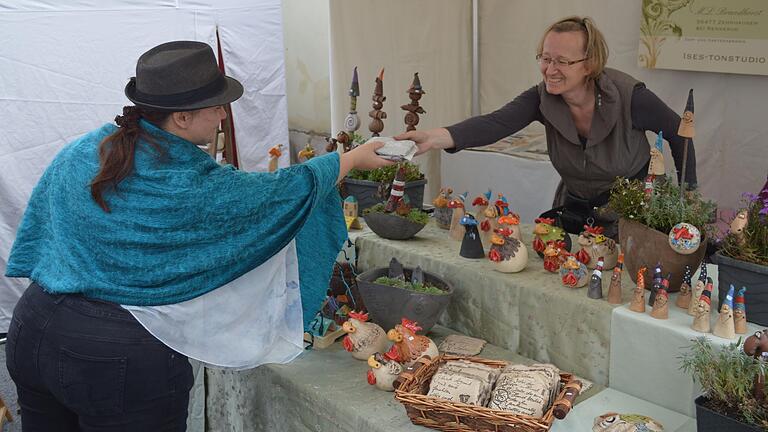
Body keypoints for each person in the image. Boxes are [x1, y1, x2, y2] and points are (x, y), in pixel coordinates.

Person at [4, 40, 393, 431]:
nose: (224, 114)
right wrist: (352, 159)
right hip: (116, 357)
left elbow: (46, 223)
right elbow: (277, 196)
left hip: (34, 325)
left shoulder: (86, 148)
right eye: (216, 106)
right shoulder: (195, 184)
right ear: (182, 118)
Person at [398, 16, 697, 237]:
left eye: (562, 62)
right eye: (545, 58)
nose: (550, 70)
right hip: (575, 204)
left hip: (631, 213)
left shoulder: (630, 97)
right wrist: (434, 137)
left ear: (589, 64)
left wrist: (687, 199)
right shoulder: (542, 97)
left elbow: (678, 132)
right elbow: (496, 123)